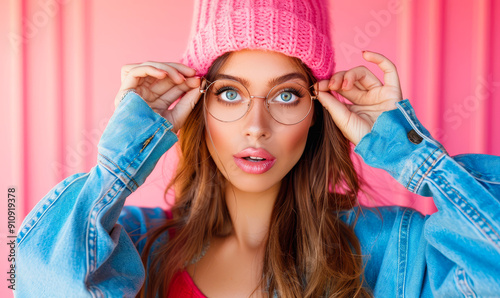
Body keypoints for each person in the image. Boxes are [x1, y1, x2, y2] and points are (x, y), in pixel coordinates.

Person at [16, 0, 500, 297]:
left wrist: (410, 150)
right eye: (229, 92)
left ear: (319, 111)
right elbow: (38, 280)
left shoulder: (393, 246)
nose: (256, 126)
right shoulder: (133, 248)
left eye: (287, 94)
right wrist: (120, 162)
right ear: (197, 106)